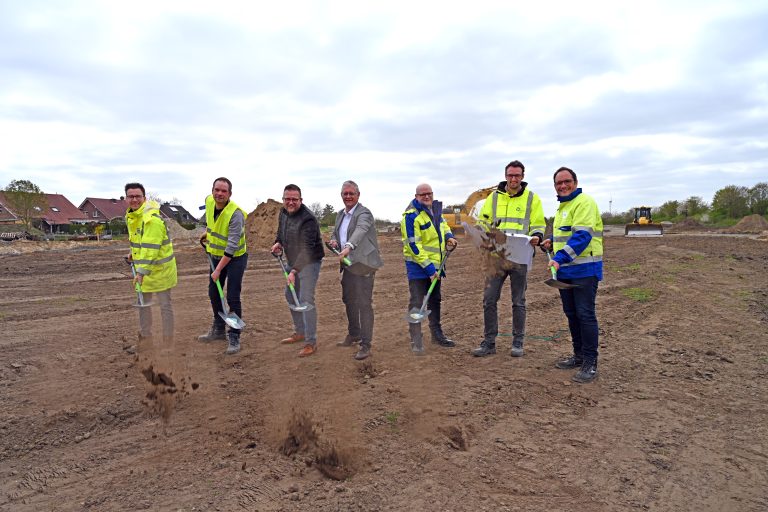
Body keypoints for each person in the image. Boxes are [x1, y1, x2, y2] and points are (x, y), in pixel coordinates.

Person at [472, 160, 546, 358]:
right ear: (505, 176)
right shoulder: (494, 198)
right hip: (496, 257)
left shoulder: (532, 199)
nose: (514, 179)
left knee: (518, 302)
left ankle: (518, 342)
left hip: (520, 257)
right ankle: (489, 342)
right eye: (510, 175)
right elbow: (483, 222)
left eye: (517, 175)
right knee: (489, 299)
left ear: (523, 176)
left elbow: (538, 223)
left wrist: (537, 236)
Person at [542, 167, 603, 383]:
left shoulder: (584, 202)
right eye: (559, 183)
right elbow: (564, 236)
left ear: (575, 182)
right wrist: (551, 240)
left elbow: (582, 237)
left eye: (567, 181)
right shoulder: (563, 208)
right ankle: (578, 356)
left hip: (585, 270)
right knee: (572, 314)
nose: (563, 185)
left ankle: (590, 362)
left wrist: (558, 258)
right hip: (566, 271)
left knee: (585, 314)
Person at [328, 180, 383, 361]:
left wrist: (349, 246)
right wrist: (334, 240)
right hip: (348, 264)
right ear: (341, 196)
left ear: (358, 195)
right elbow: (336, 233)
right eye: (345, 194)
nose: (348, 196)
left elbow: (360, 230)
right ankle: (354, 333)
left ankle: (366, 344)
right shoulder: (339, 215)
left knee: (364, 303)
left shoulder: (364, 213)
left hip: (364, 264)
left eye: (351, 193)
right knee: (348, 299)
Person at [401, 183, 458, 355]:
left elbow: (444, 227)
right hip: (418, 268)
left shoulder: (436, 212)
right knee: (417, 302)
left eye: (429, 194)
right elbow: (414, 246)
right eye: (423, 194)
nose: (427, 197)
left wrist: (449, 237)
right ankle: (416, 339)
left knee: (435, 300)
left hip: (436, 267)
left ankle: (437, 334)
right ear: (416, 196)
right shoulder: (411, 217)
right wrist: (429, 270)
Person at [271, 184, 325, 358]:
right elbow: (282, 232)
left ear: (301, 200)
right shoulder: (284, 213)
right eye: (288, 199)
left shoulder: (308, 219)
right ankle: (300, 332)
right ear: (283, 199)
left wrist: (293, 271)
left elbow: (308, 249)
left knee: (305, 299)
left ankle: (311, 342)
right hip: (293, 260)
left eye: (295, 199)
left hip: (309, 261)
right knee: (290, 295)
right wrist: (278, 242)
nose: (291, 202)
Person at [197, 177, 248, 355]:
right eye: (216, 190)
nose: (219, 194)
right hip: (215, 254)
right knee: (214, 292)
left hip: (235, 258)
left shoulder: (236, 214)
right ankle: (218, 329)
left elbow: (232, 246)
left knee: (232, 296)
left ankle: (234, 334)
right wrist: (206, 234)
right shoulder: (209, 201)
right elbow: (213, 224)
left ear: (230, 194)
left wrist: (218, 270)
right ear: (212, 191)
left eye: (223, 191)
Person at [124, 182, 177, 345]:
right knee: (143, 306)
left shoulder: (151, 219)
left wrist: (140, 273)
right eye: (131, 196)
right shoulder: (132, 216)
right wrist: (133, 253)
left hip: (160, 271)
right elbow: (140, 242)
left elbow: (151, 248)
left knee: (164, 307)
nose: (134, 199)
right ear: (126, 199)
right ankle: (146, 342)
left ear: (144, 198)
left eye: (137, 196)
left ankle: (168, 342)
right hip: (145, 271)